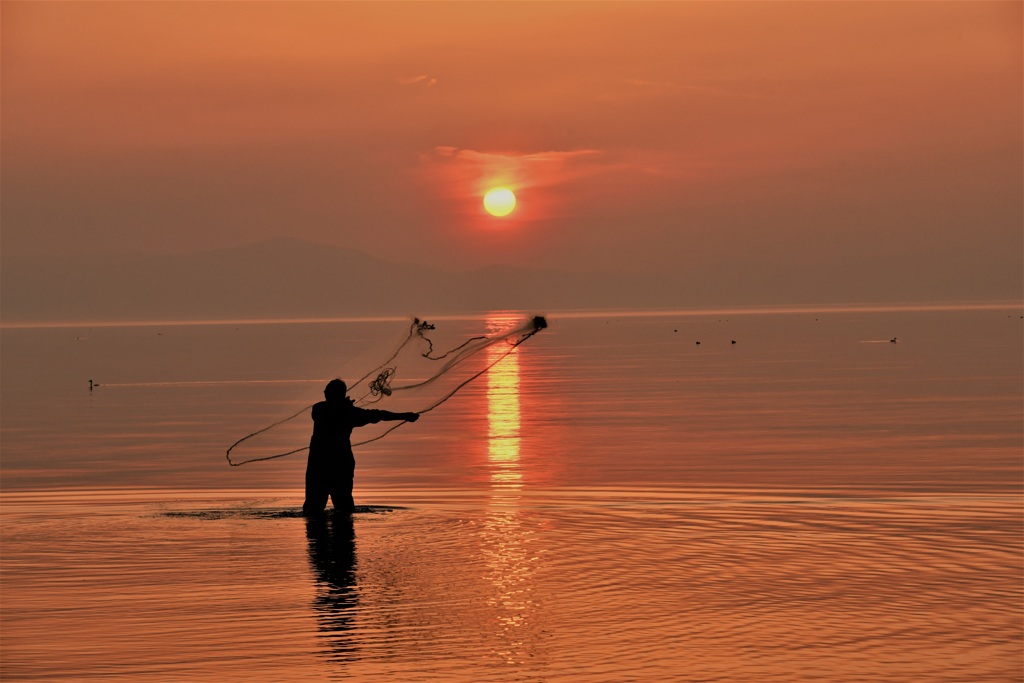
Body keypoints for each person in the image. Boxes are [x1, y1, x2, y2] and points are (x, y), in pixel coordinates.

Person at [303, 378, 418, 515]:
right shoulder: (323, 409)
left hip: (322, 464)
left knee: (332, 506)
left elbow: (377, 414)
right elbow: (376, 414)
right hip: (335, 463)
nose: (325, 394)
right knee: (326, 507)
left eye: (327, 392)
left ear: (328, 394)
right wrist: (405, 416)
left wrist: (404, 416)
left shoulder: (332, 410)